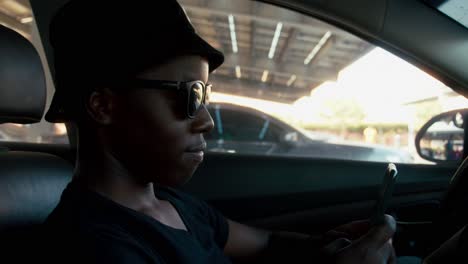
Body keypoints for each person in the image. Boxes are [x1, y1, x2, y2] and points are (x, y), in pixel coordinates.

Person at [42, 0, 396, 263]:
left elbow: (266, 242)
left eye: (205, 94)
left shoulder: (172, 203)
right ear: (103, 106)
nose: (207, 120)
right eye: (189, 95)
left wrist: (327, 246)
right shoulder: (96, 245)